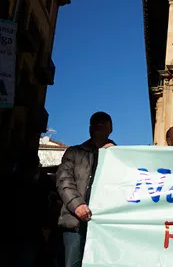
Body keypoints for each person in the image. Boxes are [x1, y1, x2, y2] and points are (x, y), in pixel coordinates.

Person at [56, 111, 116, 267]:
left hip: (105, 226)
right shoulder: (73, 153)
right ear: (89, 128)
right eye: (94, 123)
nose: (98, 126)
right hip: (75, 222)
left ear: (110, 129)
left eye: (103, 123)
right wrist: (77, 206)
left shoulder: (118, 156)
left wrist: (114, 152)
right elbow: (64, 180)